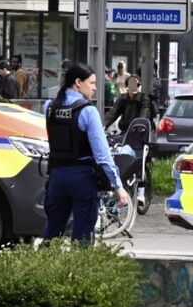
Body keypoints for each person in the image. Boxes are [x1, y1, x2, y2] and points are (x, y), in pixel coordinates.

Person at [43, 62, 130, 243]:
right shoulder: (87, 111)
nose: (95, 88)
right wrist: (118, 186)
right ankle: (78, 271)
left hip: (57, 177)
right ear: (78, 82)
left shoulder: (49, 107)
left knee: (51, 234)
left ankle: (40, 270)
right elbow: (102, 155)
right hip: (82, 177)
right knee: (82, 237)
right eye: (91, 83)